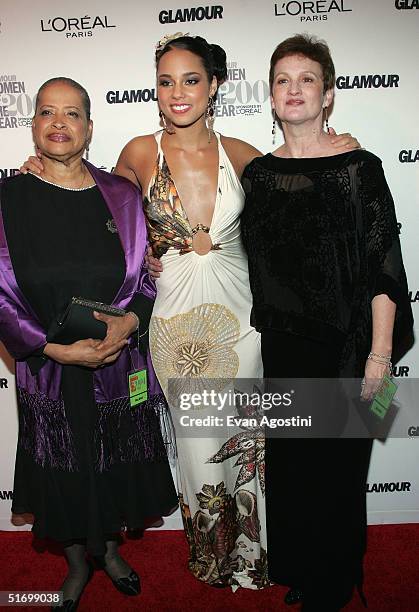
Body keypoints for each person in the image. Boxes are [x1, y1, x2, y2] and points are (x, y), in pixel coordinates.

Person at [20, 34, 359, 589]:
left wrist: (334, 147)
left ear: (215, 85)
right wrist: (40, 170)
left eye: (190, 79)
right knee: (200, 441)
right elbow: (92, 206)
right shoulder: (136, 153)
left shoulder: (246, 155)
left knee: (249, 439)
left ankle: (259, 553)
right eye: (165, 81)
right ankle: (212, 553)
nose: (177, 92)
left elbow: (306, 200)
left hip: (241, 313)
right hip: (176, 315)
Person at [240, 34, 413, 610]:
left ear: (328, 94)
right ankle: (301, 570)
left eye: (306, 79)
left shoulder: (359, 168)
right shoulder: (259, 177)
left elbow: (385, 264)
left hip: (352, 347)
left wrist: (380, 356)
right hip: (284, 347)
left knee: (340, 475)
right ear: (271, 96)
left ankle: (335, 581)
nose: (293, 89)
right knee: (292, 471)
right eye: (282, 80)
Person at [0, 77, 178, 610]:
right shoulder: (8, 199)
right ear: (32, 125)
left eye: (72, 113)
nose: (59, 123)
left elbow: (147, 278)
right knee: (66, 467)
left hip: (120, 364)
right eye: (47, 113)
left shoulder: (122, 196)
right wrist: (50, 349)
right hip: (49, 367)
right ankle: (78, 562)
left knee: (116, 461)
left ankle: (111, 551)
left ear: (89, 128)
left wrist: (130, 324)